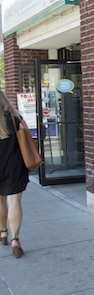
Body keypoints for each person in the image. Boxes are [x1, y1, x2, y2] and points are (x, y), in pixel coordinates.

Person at [0, 90, 28, 258]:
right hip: (14, 165)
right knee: (14, 201)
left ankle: (3, 233)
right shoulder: (14, 118)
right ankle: (15, 240)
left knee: (0, 201)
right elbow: (27, 138)